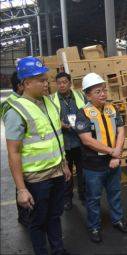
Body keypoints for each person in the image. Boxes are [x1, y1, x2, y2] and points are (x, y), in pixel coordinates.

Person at [5, 56, 71, 255]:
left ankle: (58, 250)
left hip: (57, 172)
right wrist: (21, 189)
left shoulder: (49, 102)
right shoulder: (16, 111)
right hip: (37, 178)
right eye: (40, 79)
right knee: (38, 221)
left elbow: (56, 137)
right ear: (25, 83)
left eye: (45, 78)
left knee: (55, 215)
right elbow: (13, 152)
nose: (46, 83)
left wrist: (65, 164)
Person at [75, 72, 127, 243]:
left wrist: (117, 153)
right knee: (93, 199)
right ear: (88, 94)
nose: (103, 94)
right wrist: (111, 151)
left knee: (115, 194)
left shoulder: (112, 109)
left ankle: (118, 220)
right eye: (98, 92)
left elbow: (121, 131)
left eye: (104, 90)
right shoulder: (83, 113)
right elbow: (87, 140)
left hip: (113, 161)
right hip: (93, 166)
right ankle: (94, 227)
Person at [52, 72, 86, 210]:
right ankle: (67, 199)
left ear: (70, 83)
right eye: (59, 83)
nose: (62, 85)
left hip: (81, 141)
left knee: (83, 171)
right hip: (64, 143)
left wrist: (80, 124)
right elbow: (49, 119)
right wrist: (59, 124)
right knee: (66, 173)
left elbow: (87, 113)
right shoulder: (52, 100)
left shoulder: (79, 96)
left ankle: (84, 195)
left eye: (64, 82)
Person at [1, 71, 31, 227]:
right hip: (22, 151)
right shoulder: (13, 105)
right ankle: (24, 217)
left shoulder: (18, 100)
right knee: (22, 186)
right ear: (21, 86)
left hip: (26, 151)